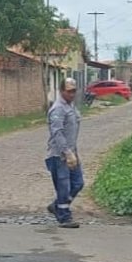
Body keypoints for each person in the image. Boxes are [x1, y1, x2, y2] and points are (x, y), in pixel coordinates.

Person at [46, 77, 84, 228]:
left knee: (78, 183)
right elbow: (57, 132)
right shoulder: (58, 109)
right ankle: (64, 217)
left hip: (72, 153)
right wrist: (67, 153)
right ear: (62, 91)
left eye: (74, 91)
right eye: (69, 91)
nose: (72, 94)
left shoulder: (71, 106)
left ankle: (57, 205)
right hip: (58, 155)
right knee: (63, 186)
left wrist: (74, 153)